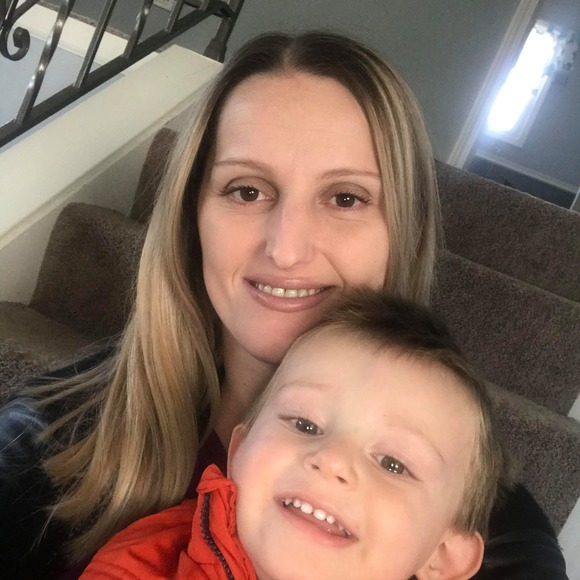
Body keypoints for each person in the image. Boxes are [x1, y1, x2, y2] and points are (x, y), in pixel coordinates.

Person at [0, 31, 567, 580]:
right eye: (246, 190)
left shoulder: (491, 533)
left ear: (405, 231)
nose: (286, 249)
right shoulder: (51, 435)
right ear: (192, 219)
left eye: (345, 198)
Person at [81, 291, 512, 580]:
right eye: (305, 425)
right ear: (239, 450)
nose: (333, 459)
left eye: (393, 464)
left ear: (443, 556)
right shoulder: (147, 560)